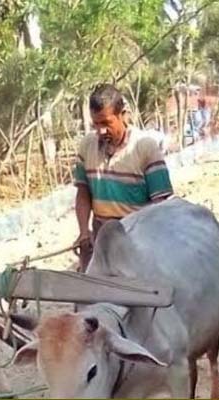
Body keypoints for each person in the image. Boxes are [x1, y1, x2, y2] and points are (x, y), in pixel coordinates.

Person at [72, 84, 174, 271]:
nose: (101, 131)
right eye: (96, 124)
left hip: (138, 242)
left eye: (106, 123)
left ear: (123, 115)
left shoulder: (145, 147)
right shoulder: (87, 146)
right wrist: (84, 231)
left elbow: (161, 204)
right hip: (101, 241)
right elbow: (83, 192)